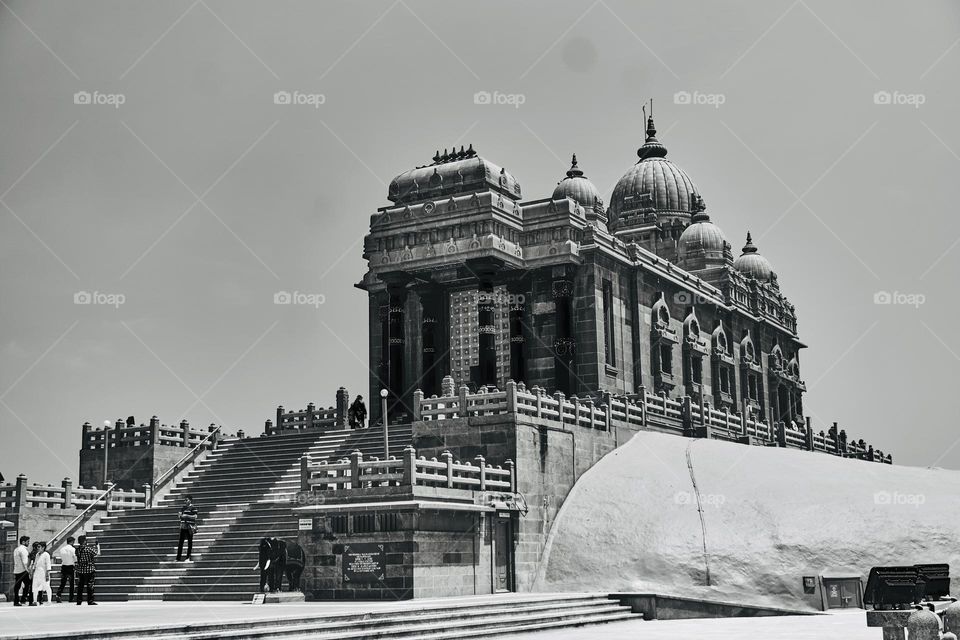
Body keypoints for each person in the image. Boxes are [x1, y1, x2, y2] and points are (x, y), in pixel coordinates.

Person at [74, 535, 99, 605]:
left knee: (80, 586)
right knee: (90, 585)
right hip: (89, 569)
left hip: (80, 569)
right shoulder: (88, 549)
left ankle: (79, 600)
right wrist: (97, 546)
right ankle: (90, 600)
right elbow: (97, 553)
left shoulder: (77, 550)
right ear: (85, 541)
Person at [176, 495, 198, 562]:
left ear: (190, 500)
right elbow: (180, 516)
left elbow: (195, 517)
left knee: (189, 542)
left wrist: (186, 516)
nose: (185, 501)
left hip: (189, 527)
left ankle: (188, 557)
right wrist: (180, 516)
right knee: (180, 543)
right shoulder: (183, 508)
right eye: (184, 500)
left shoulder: (193, 508)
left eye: (186, 500)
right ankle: (178, 558)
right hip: (183, 526)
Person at [55, 536, 77, 603]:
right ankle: (71, 598)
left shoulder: (62, 549)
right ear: (72, 542)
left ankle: (58, 594)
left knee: (63, 583)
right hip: (70, 567)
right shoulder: (73, 549)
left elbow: (61, 557)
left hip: (64, 566)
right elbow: (75, 558)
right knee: (71, 583)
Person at [12, 535, 32, 606]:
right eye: (27, 541)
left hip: (17, 570)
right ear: (23, 542)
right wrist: (28, 571)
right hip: (23, 571)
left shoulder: (16, 549)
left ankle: (16, 601)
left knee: (17, 587)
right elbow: (25, 562)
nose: (28, 543)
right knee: (28, 584)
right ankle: (24, 599)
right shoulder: (24, 550)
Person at [31, 541, 52, 605]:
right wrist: (32, 572)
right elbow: (35, 564)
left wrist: (47, 574)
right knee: (35, 586)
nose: (38, 548)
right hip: (37, 572)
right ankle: (35, 601)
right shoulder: (37, 554)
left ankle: (49, 601)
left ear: (43, 547)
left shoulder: (46, 554)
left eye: (39, 547)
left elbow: (48, 564)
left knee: (47, 586)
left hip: (44, 572)